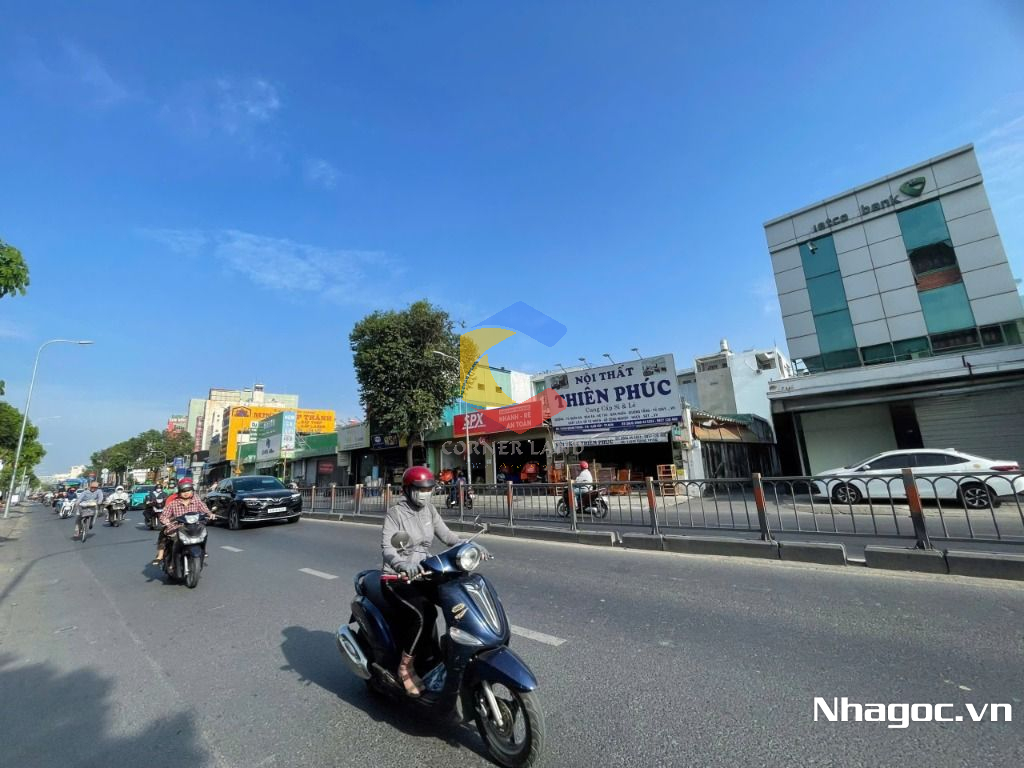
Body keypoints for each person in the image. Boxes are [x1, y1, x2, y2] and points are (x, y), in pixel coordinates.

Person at [381, 466, 465, 696]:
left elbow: (448, 536)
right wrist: (402, 565)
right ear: (407, 490)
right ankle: (405, 667)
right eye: (420, 489)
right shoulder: (396, 514)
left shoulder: (429, 510)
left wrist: (468, 545)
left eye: (429, 489)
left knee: (457, 602)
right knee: (424, 615)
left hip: (423, 574)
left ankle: (448, 655)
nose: (425, 493)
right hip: (396, 577)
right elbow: (388, 548)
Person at [152, 478, 211, 568]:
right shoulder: (173, 503)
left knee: (204, 532)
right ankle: (164, 558)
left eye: (188, 490)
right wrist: (167, 522)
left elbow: (205, 510)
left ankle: (203, 550)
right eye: (183, 491)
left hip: (194, 526)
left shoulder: (197, 501)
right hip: (177, 527)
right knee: (166, 535)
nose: (186, 493)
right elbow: (164, 516)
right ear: (179, 492)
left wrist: (210, 514)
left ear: (192, 491)